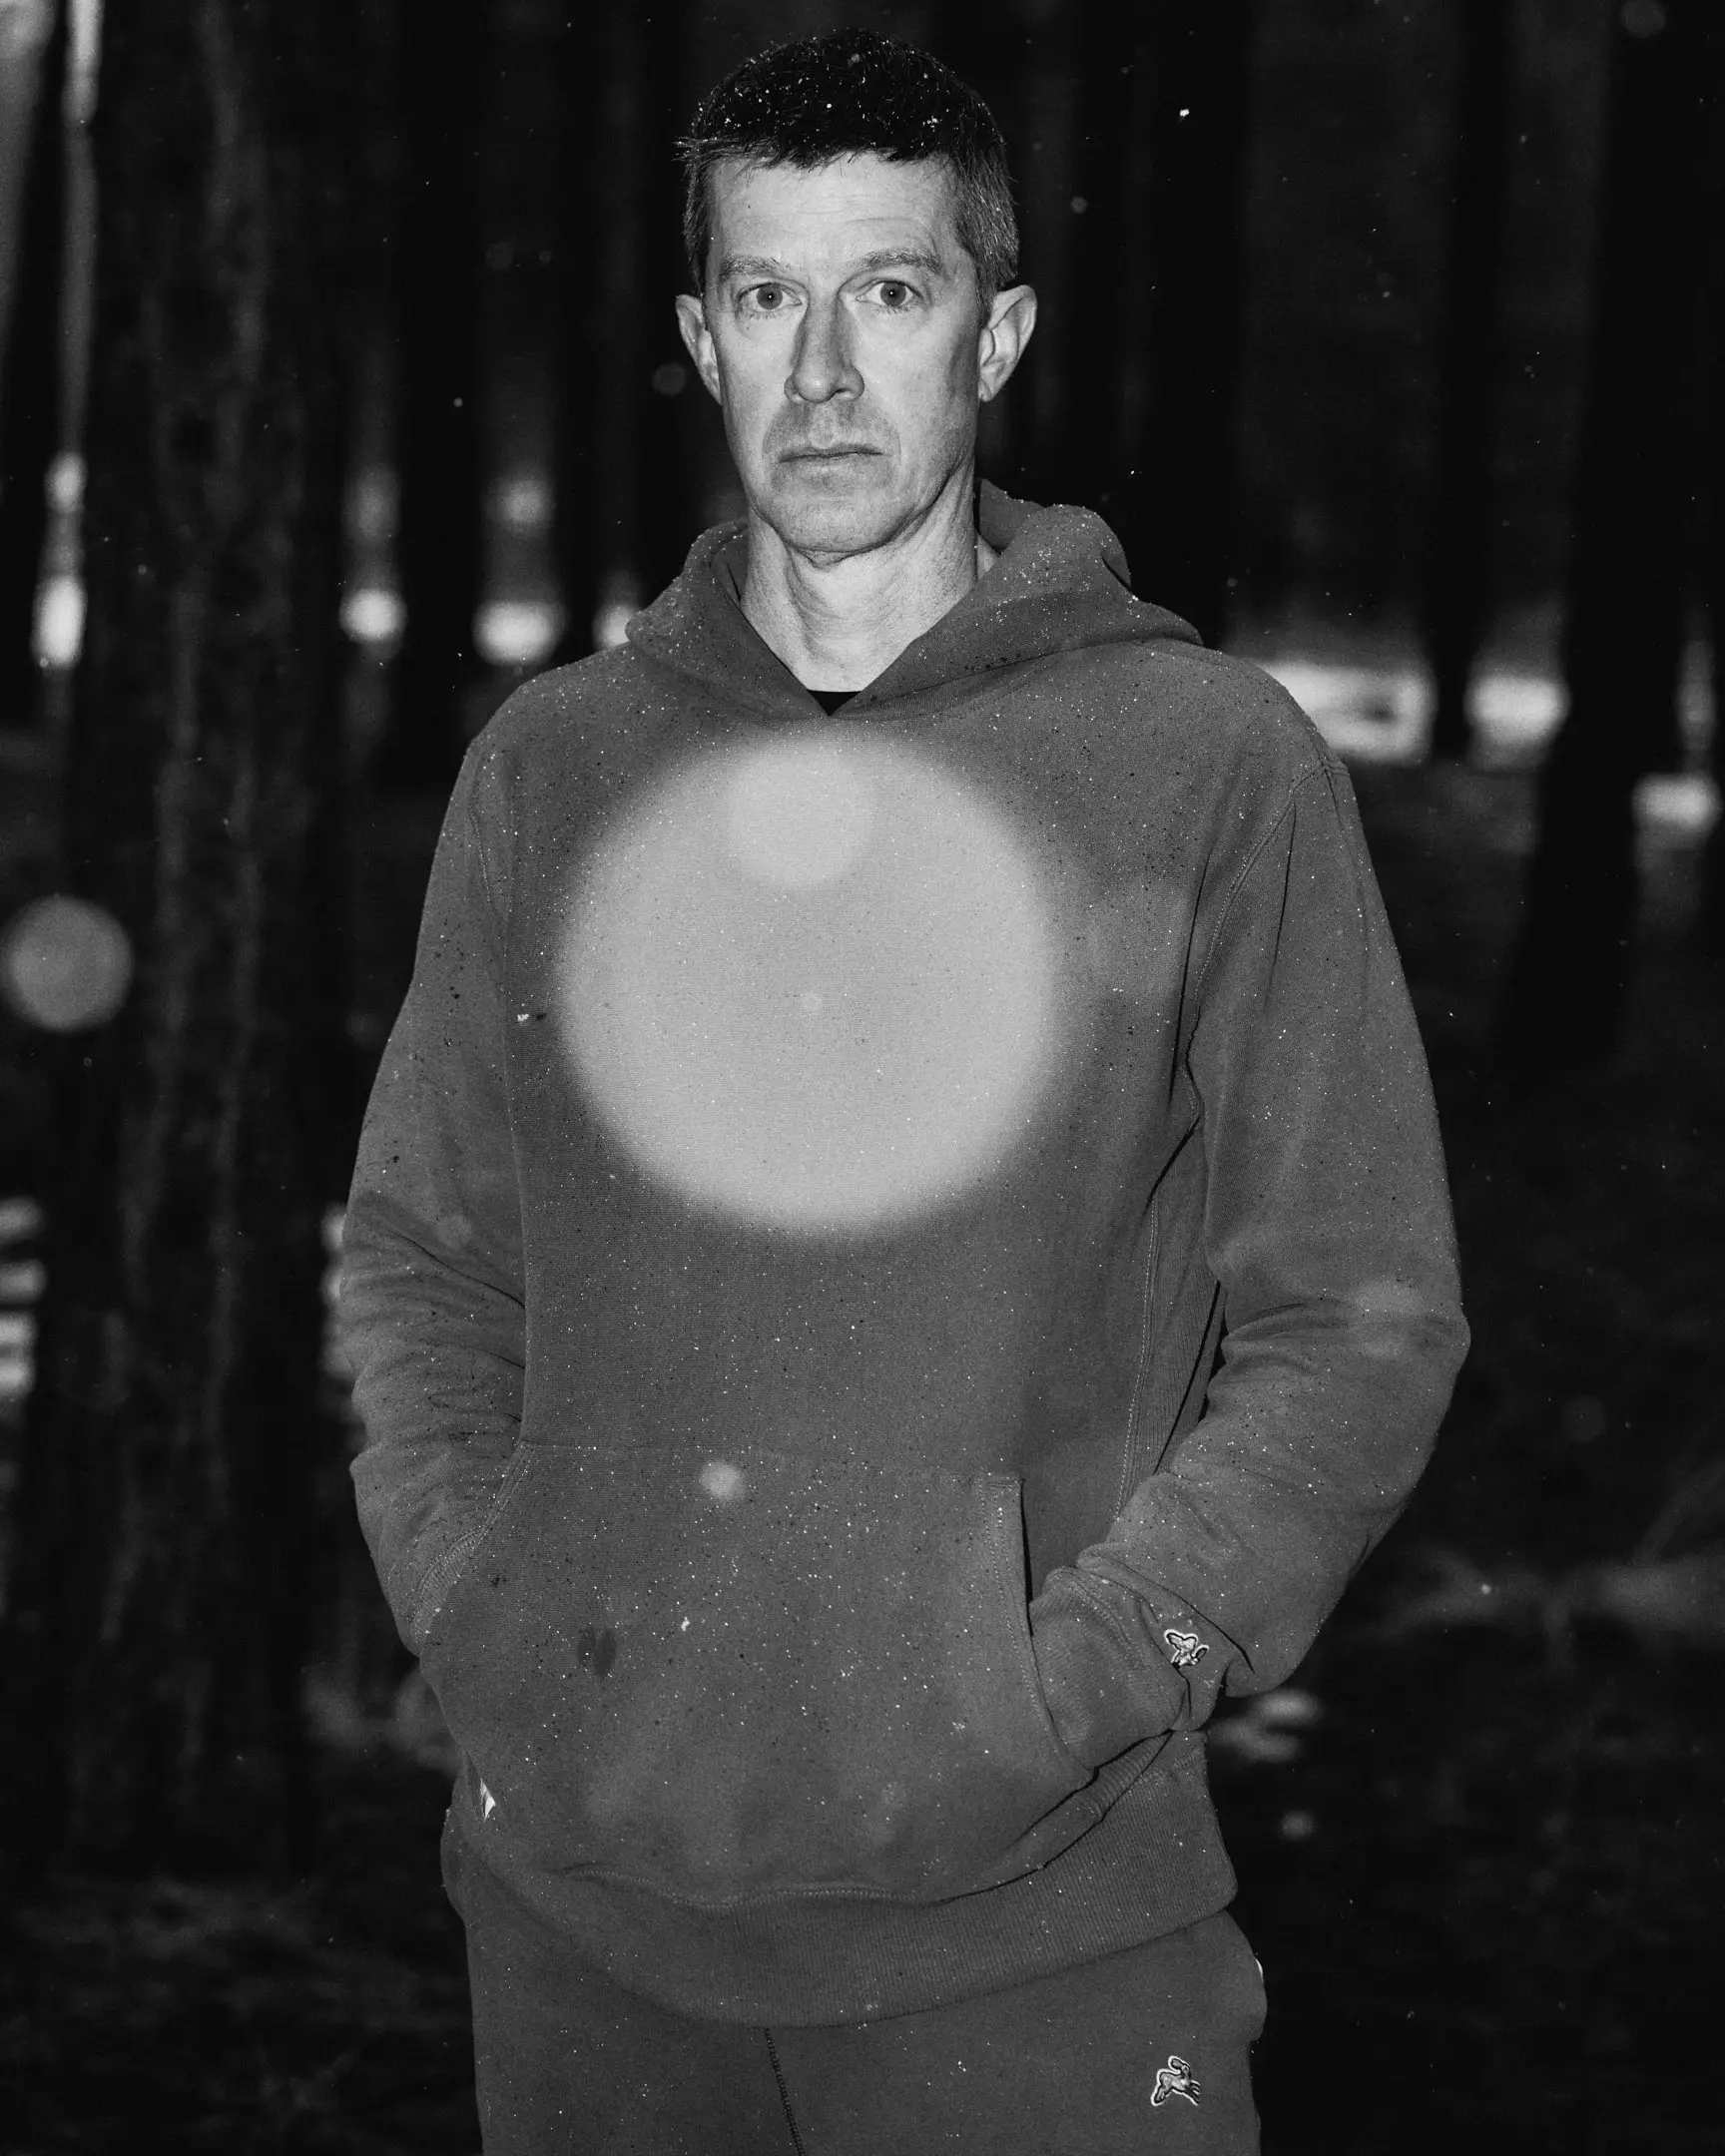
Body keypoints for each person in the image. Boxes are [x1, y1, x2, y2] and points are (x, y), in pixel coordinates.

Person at [338, 29, 1468, 2154]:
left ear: (999, 330)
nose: (828, 375)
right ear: (701, 338)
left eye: (893, 288)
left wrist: (1084, 1672)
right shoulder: (558, 771)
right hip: (584, 1942)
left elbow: (1358, 1317)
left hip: (1032, 1949)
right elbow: (423, 1260)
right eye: (770, 297)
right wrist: (479, 1604)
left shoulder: (1203, 768)